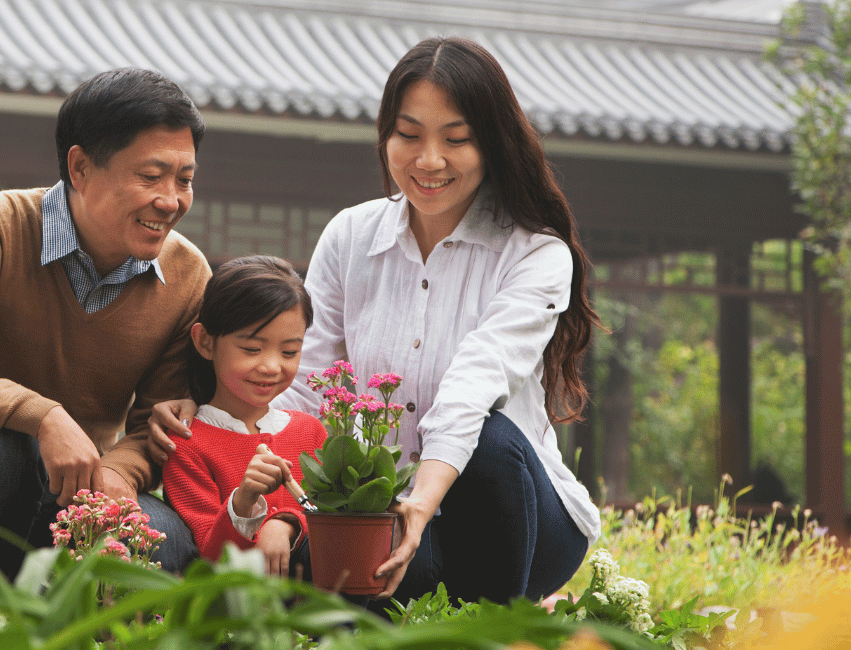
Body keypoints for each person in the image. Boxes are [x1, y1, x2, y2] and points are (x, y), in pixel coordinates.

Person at [150, 37, 601, 606]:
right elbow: (306, 386)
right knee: (308, 561)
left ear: (492, 145)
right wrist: (219, 413)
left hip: (520, 517)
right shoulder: (350, 237)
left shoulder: (535, 254)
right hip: (378, 519)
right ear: (385, 134)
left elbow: (474, 383)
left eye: (456, 139)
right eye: (408, 135)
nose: (428, 160)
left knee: (489, 439)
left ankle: (500, 629)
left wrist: (421, 501)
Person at [0, 68, 211, 580]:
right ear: (80, 167)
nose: (170, 200)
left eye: (184, 180)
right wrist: (43, 417)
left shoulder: (188, 276)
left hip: (73, 497)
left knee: (165, 543)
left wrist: (119, 473)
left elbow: (156, 425)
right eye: (150, 176)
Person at [160, 255, 323, 579]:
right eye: (252, 349)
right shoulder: (186, 442)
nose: (272, 366)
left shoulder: (311, 432)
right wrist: (244, 500)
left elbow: (336, 517)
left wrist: (286, 523)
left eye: (289, 352)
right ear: (205, 342)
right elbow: (209, 552)